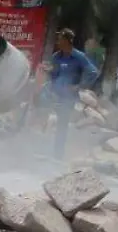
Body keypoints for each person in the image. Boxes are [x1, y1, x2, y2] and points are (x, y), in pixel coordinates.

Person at [41, 28, 99, 159]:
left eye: (60, 39)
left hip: (68, 98)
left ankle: (58, 154)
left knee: (62, 125)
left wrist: (79, 86)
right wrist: (49, 71)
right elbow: (55, 74)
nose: (58, 41)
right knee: (45, 121)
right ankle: (44, 149)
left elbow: (93, 72)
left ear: (67, 41)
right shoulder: (56, 57)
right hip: (54, 95)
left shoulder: (79, 57)